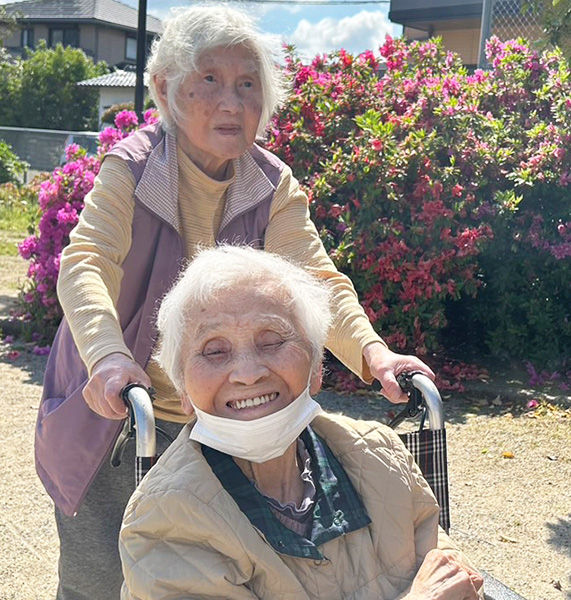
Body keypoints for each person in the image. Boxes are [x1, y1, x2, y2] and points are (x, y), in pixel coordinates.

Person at [34, 6, 433, 599]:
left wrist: (374, 355)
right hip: (121, 404)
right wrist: (108, 358)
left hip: (221, 414)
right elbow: (87, 260)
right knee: (96, 578)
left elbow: (316, 280)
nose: (232, 102)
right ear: (168, 89)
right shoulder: (133, 169)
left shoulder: (271, 183)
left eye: (248, 84)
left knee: (208, 565)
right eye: (211, 81)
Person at [119, 245, 482, 600]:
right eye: (215, 351)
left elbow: (454, 577)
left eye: (272, 341)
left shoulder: (380, 453)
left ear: (314, 368)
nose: (247, 374)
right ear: (183, 391)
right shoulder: (162, 521)